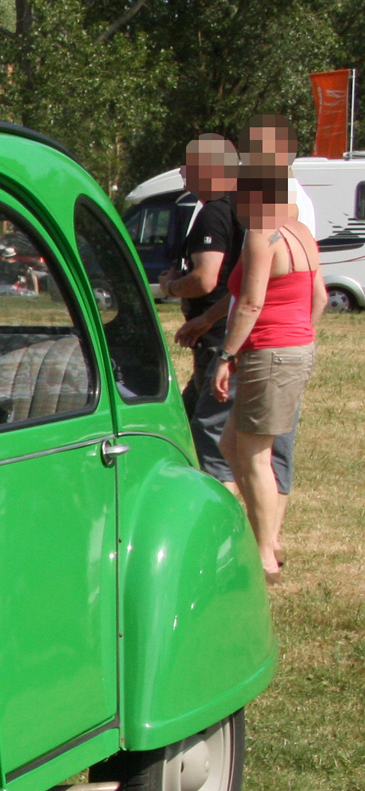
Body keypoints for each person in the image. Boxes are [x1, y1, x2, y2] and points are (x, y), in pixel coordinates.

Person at [211, 160, 322, 581]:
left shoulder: (262, 236)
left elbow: (252, 303)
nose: (236, 200)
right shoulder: (302, 233)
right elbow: (321, 298)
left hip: (270, 352)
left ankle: (265, 557)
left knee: (255, 456)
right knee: (230, 444)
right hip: (293, 348)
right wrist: (301, 337)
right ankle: (264, 534)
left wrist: (227, 355)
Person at [162, 136, 246, 485]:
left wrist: (171, 286)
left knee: (206, 435)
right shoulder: (240, 208)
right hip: (222, 330)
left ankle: (214, 505)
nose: (182, 172)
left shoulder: (213, 214)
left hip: (215, 339)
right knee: (186, 419)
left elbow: (206, 279)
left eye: (188, 166)